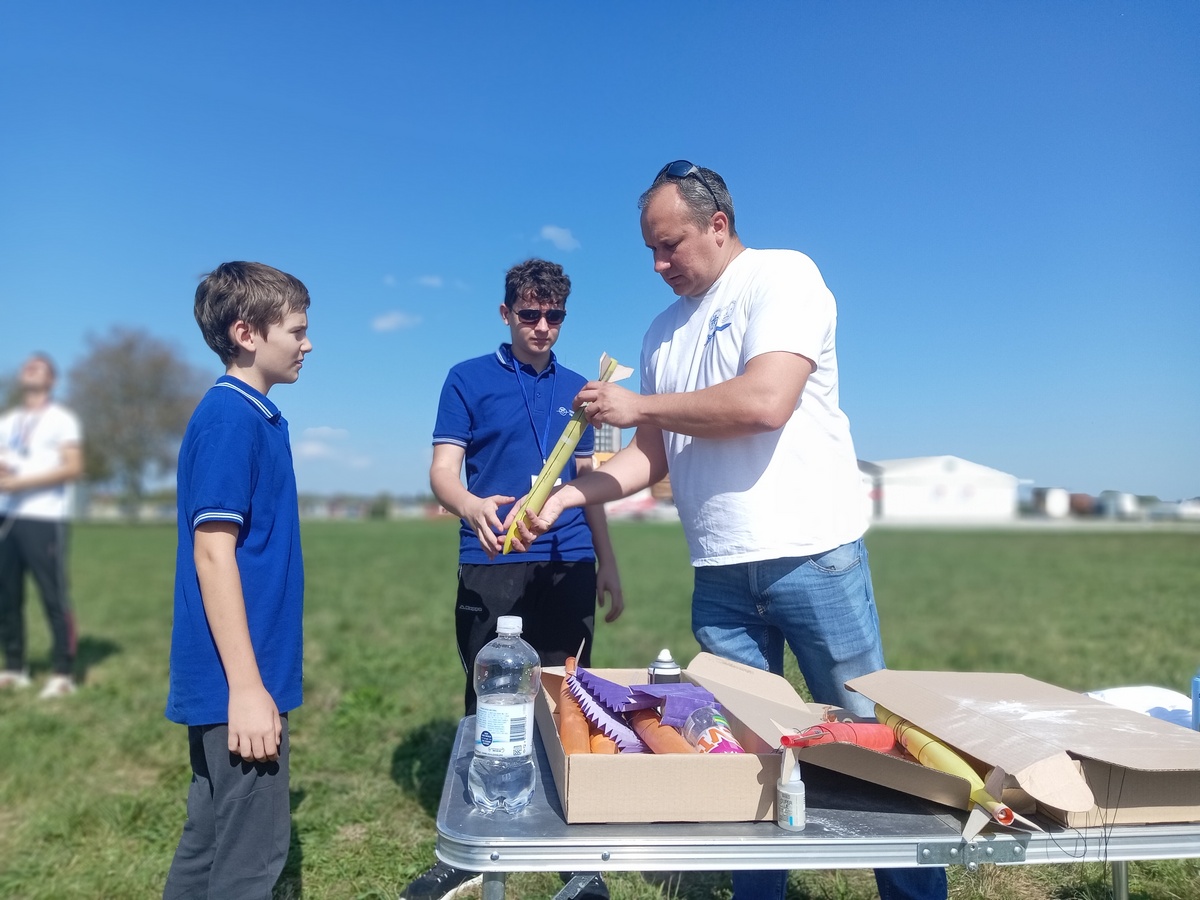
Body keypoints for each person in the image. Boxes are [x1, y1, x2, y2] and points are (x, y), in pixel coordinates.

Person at [509, 162, 949, 900]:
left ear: (718, 225)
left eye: (670, 245)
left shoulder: (783, 277)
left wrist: (640, 406)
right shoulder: (661, 332)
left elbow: (764, 401)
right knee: (738, 756)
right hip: (719, 574)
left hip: (813, 558)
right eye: (650, 250)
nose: (658, 264)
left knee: (870, 748)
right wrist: (564, 500)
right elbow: (651, 458)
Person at [399, 259, 622, 900]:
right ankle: (477, 844)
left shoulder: (581, 389)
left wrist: (607, 560)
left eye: (555, 315)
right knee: (490, 698)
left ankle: (577, 854)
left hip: (567, 561)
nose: (543, 326)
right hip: (492, 556)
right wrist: (470, 507)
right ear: (506, 314)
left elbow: (589, 483)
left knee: (568, 699)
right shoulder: (466, 378)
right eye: (530, 314)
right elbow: (443, 471)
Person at [163, 261, 313, 899]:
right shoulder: (232, 419)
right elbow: (213, 554)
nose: (308, 344)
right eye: (296, 331)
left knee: (208, 843)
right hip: (238, 682)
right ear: (247, 333)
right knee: (252, 859)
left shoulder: (254, 416)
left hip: (237, 677)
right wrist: (249, 689)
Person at [0, 353, 84, 698]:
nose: (30, 367)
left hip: (45, 518)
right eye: (27, 365)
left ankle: (63, 673)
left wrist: (21, 483)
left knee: (53, 595)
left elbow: (73, 467)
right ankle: (14, 667)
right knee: (7, 596)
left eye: (40, 366)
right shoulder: (9, 421)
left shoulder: (62, 420)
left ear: (52, 380)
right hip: (7, 518)